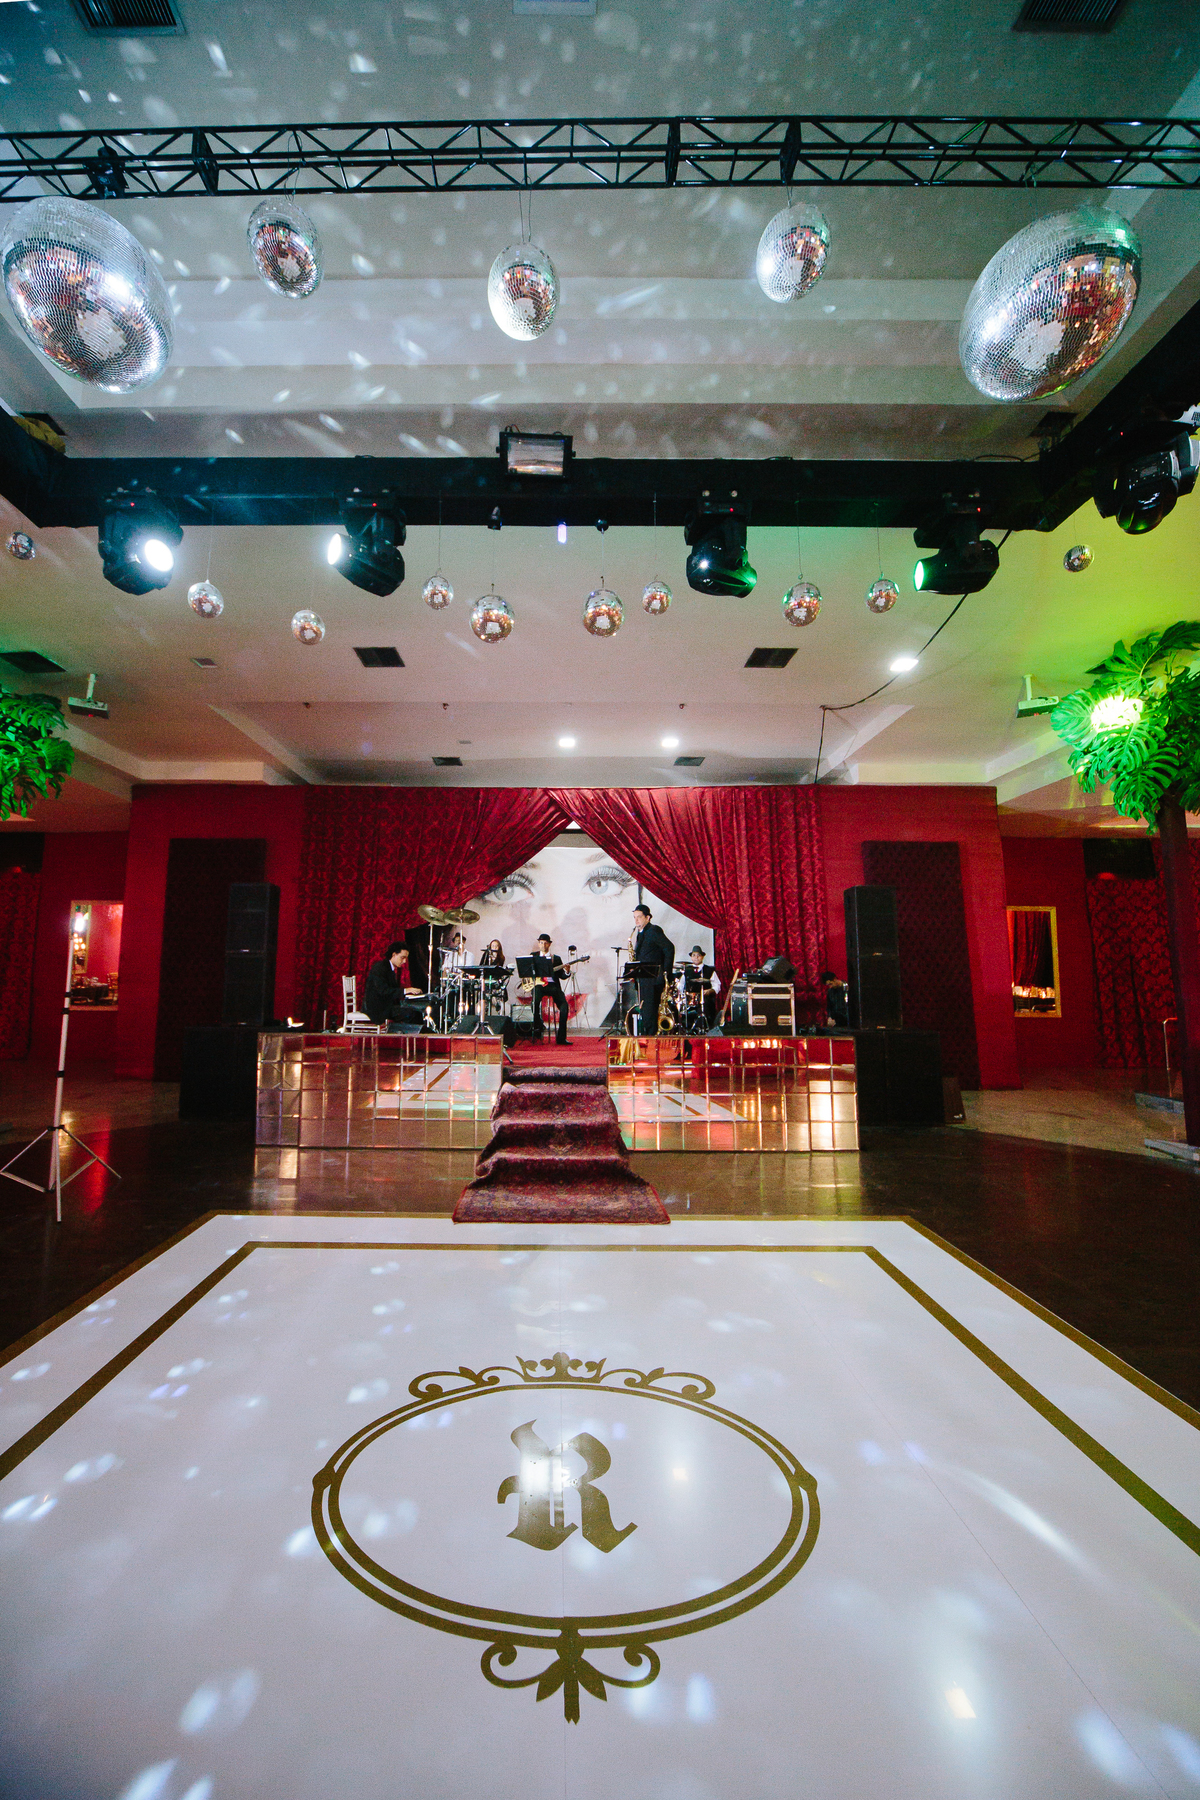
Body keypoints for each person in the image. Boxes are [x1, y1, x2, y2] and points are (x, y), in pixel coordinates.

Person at [630, 904, 674, 1030]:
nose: (636, 920)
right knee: (645, 1011)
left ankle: (651, 1037)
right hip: (644, 979)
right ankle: (648, 1035)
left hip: (653, 979)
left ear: (648, 917)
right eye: (634, 917)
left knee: (650, 1012)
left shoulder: (654, 930)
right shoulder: (641, 933)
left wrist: (665, 973)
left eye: (639, 917)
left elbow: (669, 948)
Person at [363, 942, 426, 1027]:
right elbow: (383, 991)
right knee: (412, 1013)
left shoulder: (389, 968)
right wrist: (406, 990)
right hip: (377, 1008)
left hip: (386, 1005)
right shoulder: (379, 968)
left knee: (414, 1011)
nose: (404, 961)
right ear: (394, 955)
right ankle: (404, 1033)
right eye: (402, 958)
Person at [530, 932, 569, 1045]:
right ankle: (538, 1026)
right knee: (534, 1002)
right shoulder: (533, 956)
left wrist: (567, 971)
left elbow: (562, 976)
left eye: (545, 943)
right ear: (538, 944)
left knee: (564, 1006)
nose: (543, 945)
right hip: (539, 985)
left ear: (549, 944)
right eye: (541, 943)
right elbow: (528, 971)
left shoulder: (555, 959)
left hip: (553, 986)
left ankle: (561, 1038)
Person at [683, 944, 721, 1027]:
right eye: (694, 955)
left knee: (706, 1008)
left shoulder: (709, 970)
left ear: (702, 957)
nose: (696, 957)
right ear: (691, 957)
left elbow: (717, 985)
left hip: (705, 999)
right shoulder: (686, 970)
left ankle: (704, 1027)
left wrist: (710, 991)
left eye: (698, 955)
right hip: (689, 999)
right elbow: (680, 986)